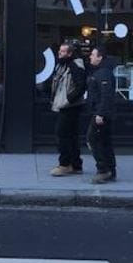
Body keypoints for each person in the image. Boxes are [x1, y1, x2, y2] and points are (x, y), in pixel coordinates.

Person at [44, 41, 87, 176]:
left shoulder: (75, 66)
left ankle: (65, 164)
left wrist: (68, 100)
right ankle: (76, 164)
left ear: (70, 53)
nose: (59, 53)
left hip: (70, 106)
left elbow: (81, 86)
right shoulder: (62, 65)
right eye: (59, 51)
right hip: (65, 104)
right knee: (71, 135)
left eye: (62, 51)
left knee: (62, 133)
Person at [86, 45, 117, 184]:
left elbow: (106, 95)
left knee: (92, 139)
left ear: (100, 57)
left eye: (93, 55)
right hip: (101, 112)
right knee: (104, 142)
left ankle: (103, 169)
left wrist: (100, 113)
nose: (90, 57)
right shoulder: (101, 72)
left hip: (101, 114)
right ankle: (110, 170)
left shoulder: (103, 73)